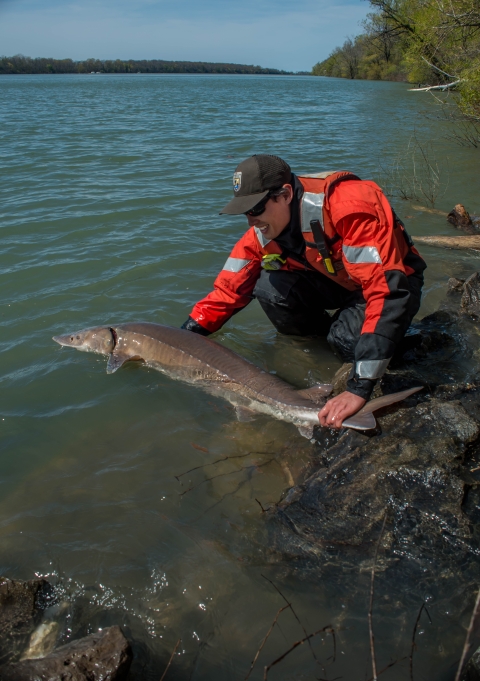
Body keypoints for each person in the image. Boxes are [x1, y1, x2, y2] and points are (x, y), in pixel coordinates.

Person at [181, 155, 426, 428]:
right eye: (245, 212)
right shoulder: (262, 231)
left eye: (256, 209)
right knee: (269, 288)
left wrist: (358, 388)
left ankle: (390, 344)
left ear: (285, 194)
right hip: (338, 280)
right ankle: (329, 347)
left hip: (396, 282)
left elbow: (386, 291)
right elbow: (227, 292)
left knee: (344, 340)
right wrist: (184, 335)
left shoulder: (350, 205)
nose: (252, 221)